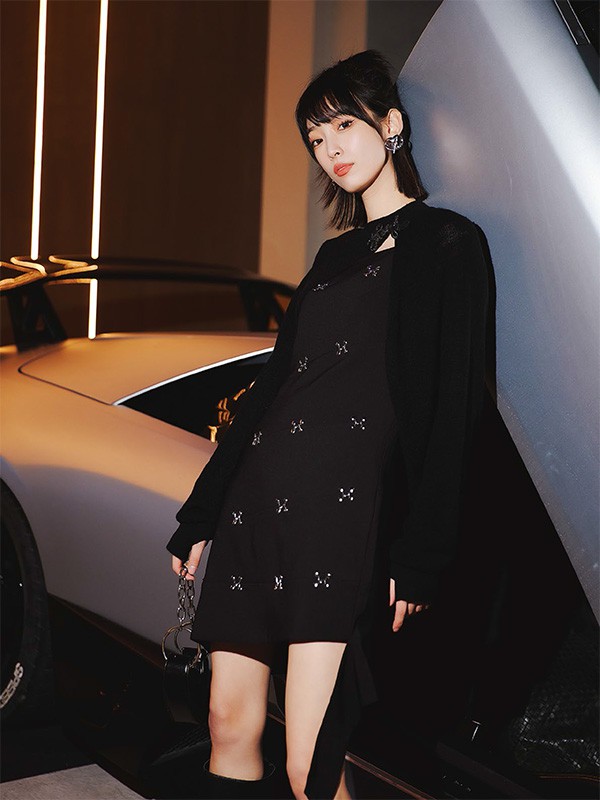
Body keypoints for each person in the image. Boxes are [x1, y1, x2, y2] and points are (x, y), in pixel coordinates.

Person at [166, 49, 489, 800]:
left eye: (344, 125)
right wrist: (201, 513)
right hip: (258, 505)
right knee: (227, 726)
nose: (330, 149)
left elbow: (454, 411)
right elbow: (271, 393)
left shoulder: (449, 244)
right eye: (316, 138)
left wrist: (424, 552)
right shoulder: (332, 257)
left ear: (391, 123)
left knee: (310, 764)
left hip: (341, 517)